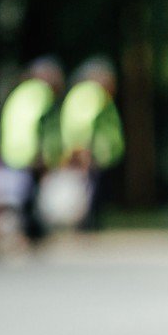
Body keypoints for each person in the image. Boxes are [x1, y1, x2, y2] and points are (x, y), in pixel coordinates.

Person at [0, 57, 66, 246]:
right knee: (29, 197)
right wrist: (44, 153)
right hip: (29, 151)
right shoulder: (41, 93)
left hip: (13, 150)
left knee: (20, 197)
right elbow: (40, 125)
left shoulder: (20, 92)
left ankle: (27, 233)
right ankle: (29, 234)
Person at [60, 58, 124, 230]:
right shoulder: (92, 92)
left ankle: (88, 225)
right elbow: (84, 123)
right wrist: (83, 149)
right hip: (90, 152)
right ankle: (86, 226)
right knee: (89, 191)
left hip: (88, 151)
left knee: (89, 190)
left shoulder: (80, 92)